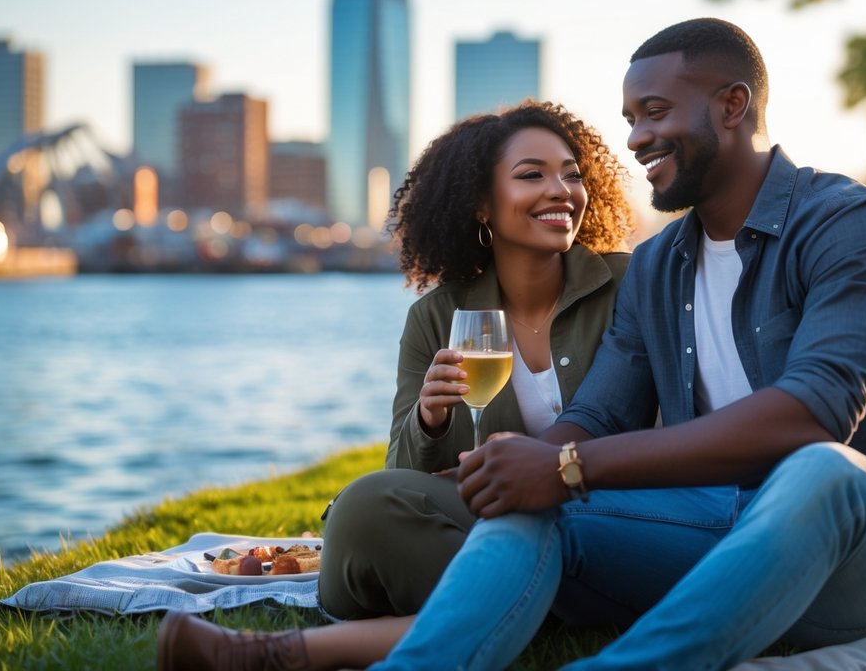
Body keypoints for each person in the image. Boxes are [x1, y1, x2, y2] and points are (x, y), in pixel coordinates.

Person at [362, 17, 866, 670]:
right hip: (704, 534)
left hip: (857, 558)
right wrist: (517, 465)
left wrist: (568, 469)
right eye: (629, 118)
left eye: (653, 112)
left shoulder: (852, 226)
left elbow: (811, 417)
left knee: (820, 467)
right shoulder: (655, 266)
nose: (634, 138)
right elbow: (598, 417)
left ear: (732, 105)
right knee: (528, 505)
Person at [156, 100, 634, 670]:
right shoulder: (438, 317)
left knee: (423, 538)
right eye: (532, 174)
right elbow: (402, 473)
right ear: (481, 203)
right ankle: (532, 605)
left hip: (606, 514)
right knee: (364, 508)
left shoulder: (627, 283)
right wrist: (429, 421)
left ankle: (497, 611)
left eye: (572, 174)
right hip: (490, 516)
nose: (561, 190)